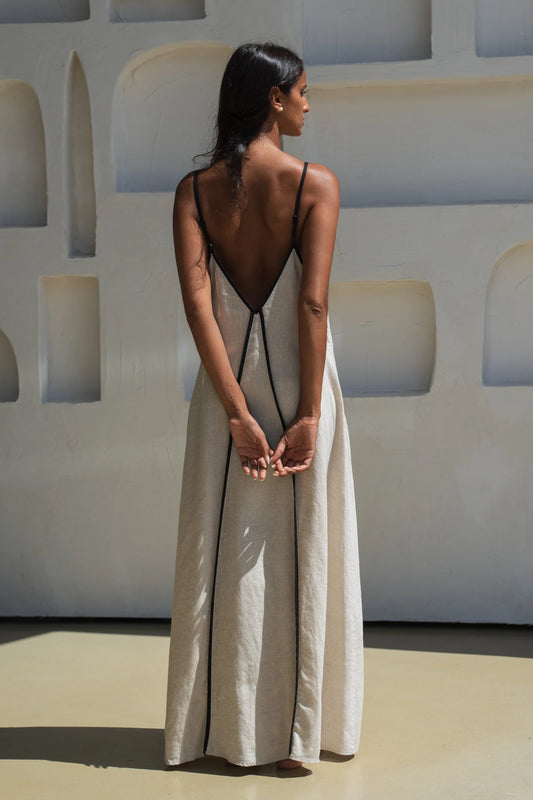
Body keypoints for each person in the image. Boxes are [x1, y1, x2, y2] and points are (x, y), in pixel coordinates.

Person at [164, 42, 363, 770]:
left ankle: (215, 735)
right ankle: (299, 738)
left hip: (229, 393)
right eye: (302, 90)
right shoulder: (315, 183)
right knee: (308, 548)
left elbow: (198, 309)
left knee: (219, 554)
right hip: (301, 382)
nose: (309, 102)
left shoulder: (193, 192)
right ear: (275, 99)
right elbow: (311, 304)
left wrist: (236, 414)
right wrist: (308, 415)